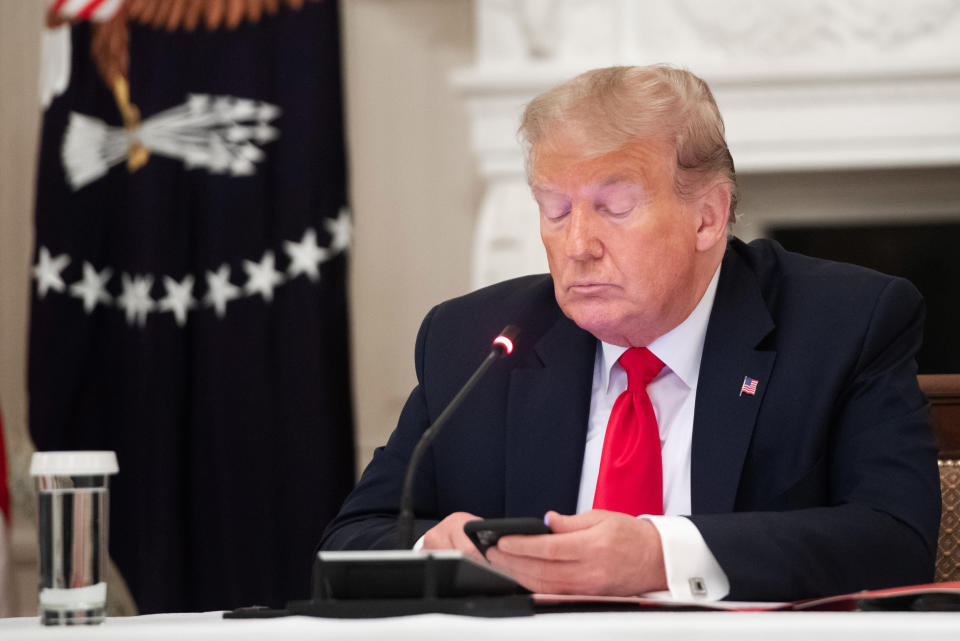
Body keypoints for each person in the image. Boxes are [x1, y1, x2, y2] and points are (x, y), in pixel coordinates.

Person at [320, 65, 941, 601]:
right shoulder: (471, 341)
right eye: (555, 210)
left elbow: (894, 541)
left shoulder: (844, 322)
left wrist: (659, 555)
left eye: (613, 209)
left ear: (708, 217)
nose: (577, 246)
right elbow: (350, 540)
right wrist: (436, 545)